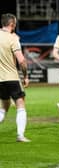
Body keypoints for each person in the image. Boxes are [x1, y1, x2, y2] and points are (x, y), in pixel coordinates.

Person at [0, 13, 30, 142]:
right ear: (12, 24)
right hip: (11, 77)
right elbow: (21, 61)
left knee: (4, 106)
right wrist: (26, 76)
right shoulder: (12, 38)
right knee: (20, 104)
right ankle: (20, 135)